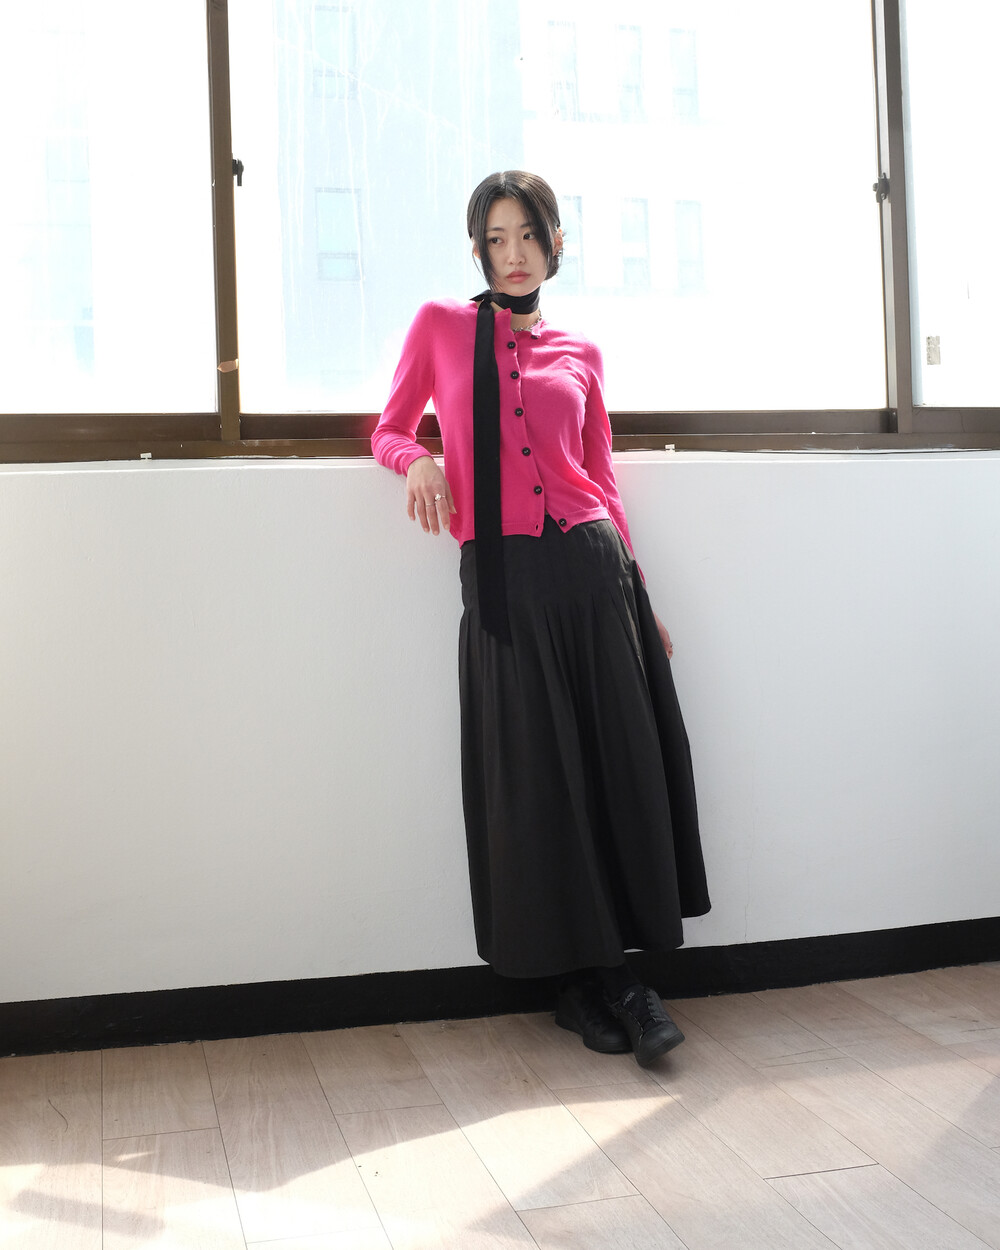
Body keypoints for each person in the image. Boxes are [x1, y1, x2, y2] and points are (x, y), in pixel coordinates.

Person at [372, 170, 709, 1067]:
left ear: (555, 243)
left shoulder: (581, 352)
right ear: (478, 250)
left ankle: (609, 985)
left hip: (593, 572)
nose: (513, 254)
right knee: (538, 780)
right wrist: (418, 460)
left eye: (528, 235)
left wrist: (640, 594)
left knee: (610, 770)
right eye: (496, 239)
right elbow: (389, 428)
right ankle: (594, 984)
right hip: (507, 581)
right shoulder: (441, 327)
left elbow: (601, 477)